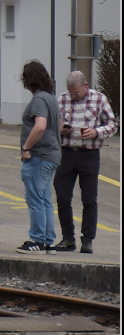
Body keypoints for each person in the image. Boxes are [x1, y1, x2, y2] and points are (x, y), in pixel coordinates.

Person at [54, 70, 116, 254]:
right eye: (71, 93)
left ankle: (87, 239)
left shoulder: (99, 99)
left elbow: (112, 124)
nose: (73, 96)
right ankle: (68, 238)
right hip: (66, 153)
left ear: (85, 86)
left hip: (89, 154)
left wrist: (97, 132)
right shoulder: (62, 99)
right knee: (62, 196)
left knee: (89, 199)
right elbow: (53, 124)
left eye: (77, 93)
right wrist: (61, 130)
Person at [15, 61, 62, 253]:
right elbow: (58, 126)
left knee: (35, 198)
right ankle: (49, 240)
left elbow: (40, 125)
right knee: (44, 200)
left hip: (38, 156)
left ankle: (37, 239)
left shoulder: (39, 100)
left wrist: (26, 147)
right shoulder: (51, 98)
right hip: (52, 155)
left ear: (28, 80)